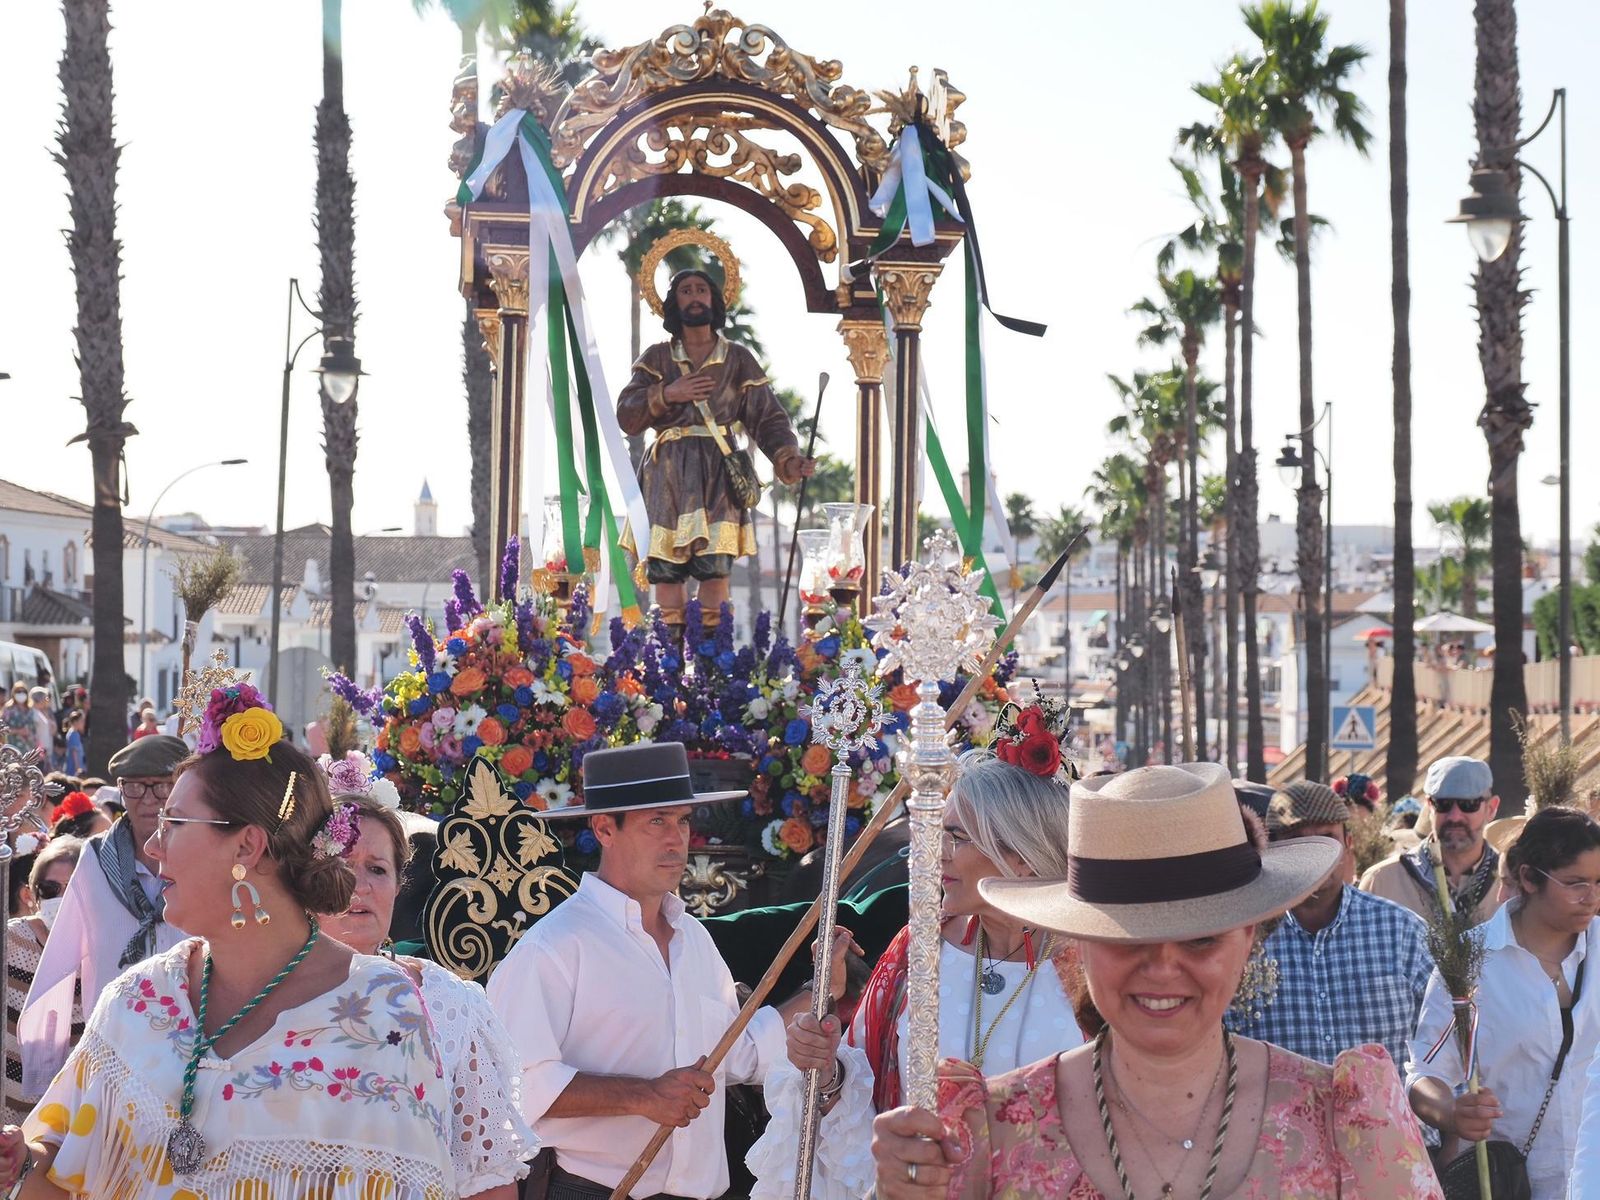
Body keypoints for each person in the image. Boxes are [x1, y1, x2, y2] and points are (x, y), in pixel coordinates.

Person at [0, 683, 533, 1197]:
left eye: (175, 822)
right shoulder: (136, 1001)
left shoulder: (414, 1017)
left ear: (247, 846)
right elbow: (68, 1160)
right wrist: (22, 1163)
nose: (156, 846)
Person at [870, 762, 1442, 1198]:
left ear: (1248, 938)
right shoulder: (990, 1127)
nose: (1163, 967)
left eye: (1201, 938)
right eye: (1128, 938)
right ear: (1081, 944)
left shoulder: (1347, 1120)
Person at [489, 741, 847, 1200]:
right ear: (604, 829)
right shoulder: (554, 946)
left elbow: (740, 1052)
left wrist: (821, 989)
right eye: (656, 821)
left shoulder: (693, 939)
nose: (676, 839)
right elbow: (514, 1084)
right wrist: (644, 1096)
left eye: (682, 820)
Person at [750, 742, 1092, 1199]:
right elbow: (863, 1099)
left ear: (1021, 855)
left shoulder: (1092, 968)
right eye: (937, 833)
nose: (938, 853)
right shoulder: (920, 950)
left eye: (957, 837)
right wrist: (826, 1067)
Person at [317, 791, 537, 1197]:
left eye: (377, 869)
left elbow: (487, 1176)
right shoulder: (266, 996)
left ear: (400, 884)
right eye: (340, 866)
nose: (360, 885)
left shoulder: (448, 1003)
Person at [1409, 806, 1600, 1199]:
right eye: (1576, 883)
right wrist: (1452, 1114)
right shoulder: (1469, 962)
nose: (1592, 898)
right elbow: (1423, 1076)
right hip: (1511, 1182)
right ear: (1529, 878)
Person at [616, 263, 815, 635]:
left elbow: (767, 417)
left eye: (701, 290)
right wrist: (667, 394)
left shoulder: (737, 359)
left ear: (715, 299)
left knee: (715, 570)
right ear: (674, 302)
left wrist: (788, 458)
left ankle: (714, 672)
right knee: (667, 572)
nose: (695, 296)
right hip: (668, 475)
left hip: (718, 473)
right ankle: (668, 666)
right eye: (686, 290)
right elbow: (626, 414)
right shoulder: (657, 358)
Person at [17, 734, 191, 1095]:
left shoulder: (203, 857)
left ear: (180, 787)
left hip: (191, 1041)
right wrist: (45, 1062)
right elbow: (60, 962)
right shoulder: (96, 859)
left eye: (160, 787)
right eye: (134, 788)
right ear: (121, 789)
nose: (147, 800)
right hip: (117, 1044)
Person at [1225, 780, 1433, 1074]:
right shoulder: (1245, 942)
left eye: (1327, 838)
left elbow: (1444, 1040)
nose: (1317, 854)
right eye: (1299, 841)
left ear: (1348, 845)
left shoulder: (1401, 932)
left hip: (1389, 1122)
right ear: (1272, 848)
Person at [1361, 755, 1504, 927]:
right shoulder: (1382, 883)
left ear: (1491, 808)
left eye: (1469, 804)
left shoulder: (1514, 885)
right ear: (1429, 807)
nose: (1455, 816)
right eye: (1443, 804)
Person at [2, 838, 82, 1123]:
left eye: (71, 888)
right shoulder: (12, 940)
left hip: (68, 1110)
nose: (61, 897)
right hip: (9, 1101)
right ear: (33, 895)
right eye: (50, 889)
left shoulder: (101, 953)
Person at [1, 686, 37, 755]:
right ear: (13, 693)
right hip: (14, 750)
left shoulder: (30, 709)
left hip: (30, 749)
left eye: (23, 692)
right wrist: (18, 731)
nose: (21, 694)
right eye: (18, 692)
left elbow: (34, 729)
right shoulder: (9, 709)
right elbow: (2, 729)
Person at [27, 691, 56, 772]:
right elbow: (34, 732)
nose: (46, 701)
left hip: (44, 750)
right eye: (45, 699)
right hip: (39, 751)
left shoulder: (39, 712)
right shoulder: (33, 712)